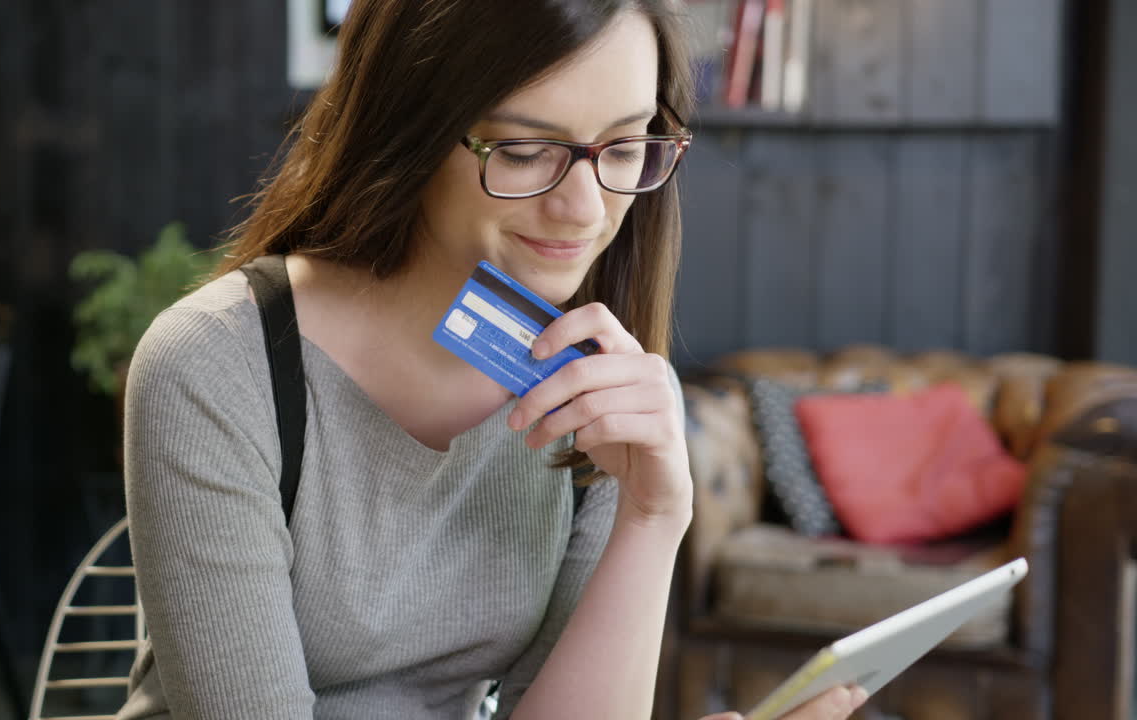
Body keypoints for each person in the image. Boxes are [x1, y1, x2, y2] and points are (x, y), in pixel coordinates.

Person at [118, 1, 866, 718]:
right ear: (406, 129)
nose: (584, 207)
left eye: (625, 144)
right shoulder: (218, 364)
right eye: (525, 150)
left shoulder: (601, 385)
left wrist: (655, 513)